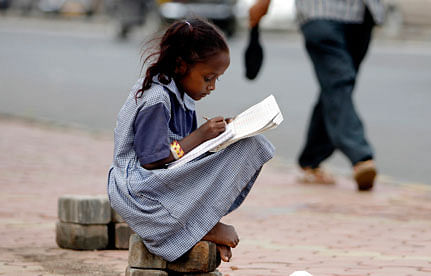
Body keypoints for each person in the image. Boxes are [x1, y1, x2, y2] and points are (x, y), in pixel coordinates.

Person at [107, 18, 275, 263]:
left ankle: (199, 227)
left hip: (159, 186)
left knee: (249, 145)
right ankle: (201, 228)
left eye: (217, 79)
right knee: (251, 148)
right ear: (180, 65)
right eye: (208, 78)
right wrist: (201, 135)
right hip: (141, 196)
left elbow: (184, 157)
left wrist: (222, 137)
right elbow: (152, 159)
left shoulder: (183, 97)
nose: (213, 86)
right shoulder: (156, 99)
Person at [249, 0, 384, 191]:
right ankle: (361, 157)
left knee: (335, 87)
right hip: (319, 11)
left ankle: (311, 160)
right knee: (339, 81)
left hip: (362, 13)